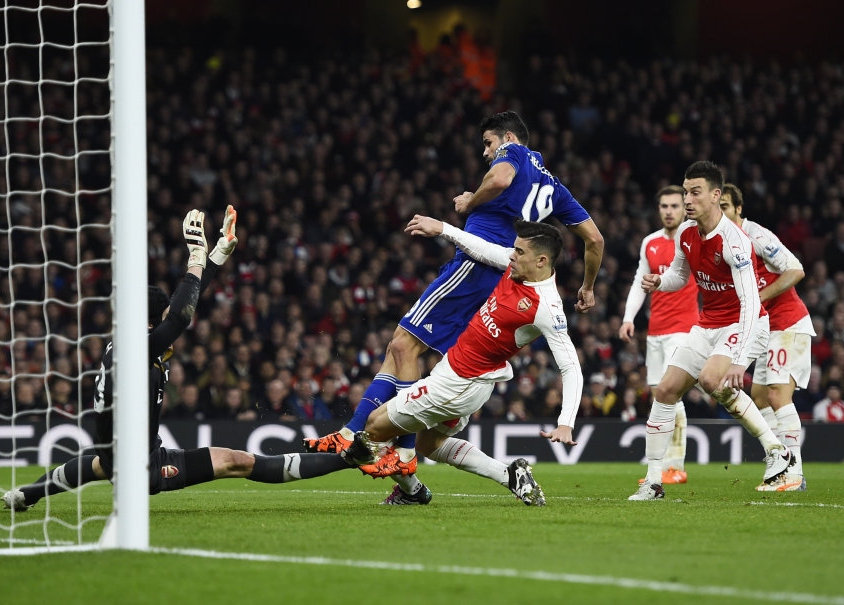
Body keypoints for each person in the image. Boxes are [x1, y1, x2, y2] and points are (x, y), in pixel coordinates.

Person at [304, 111, 603, 492]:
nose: (486, 152)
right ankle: (365, 440)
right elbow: (595, 240)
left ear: (509, 137)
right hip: (496, 274)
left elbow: (499, 177)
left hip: (475, 266)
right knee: (401, 358)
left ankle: (398, 451)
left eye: (488, 143)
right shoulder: (554, 188)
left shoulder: (514, 156)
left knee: (402, 344)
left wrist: (468, 203)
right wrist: (588, 286)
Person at [1, 208, 351, 512]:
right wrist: (196, 255)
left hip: (123, 454)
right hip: (143, 467)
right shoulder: (139, 348)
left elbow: (185, 305)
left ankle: (26, 494)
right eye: (164, 315)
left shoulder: (130, 343)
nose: (174, 318)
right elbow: (181, 316)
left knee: (97, 465)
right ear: (153, 322)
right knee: (237, 462)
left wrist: (215, 258)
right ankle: (347, 459)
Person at [343, 218, 582, 507]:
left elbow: (571, 366)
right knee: (428, 445)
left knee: (373, 426)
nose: (512, 254)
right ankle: (510, 476)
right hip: (457, 371)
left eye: (519, 251)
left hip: (459, 385)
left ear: (541, 260)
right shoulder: (516, 267)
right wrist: (442, 228)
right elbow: (481, 249)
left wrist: (565, 423)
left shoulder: (547, 307)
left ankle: (411, 491)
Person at [629, 161, 792, 501]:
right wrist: (659, 281)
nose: (688, 199)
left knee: (710, 380)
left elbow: (750, 303)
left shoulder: (734, 242)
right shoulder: (687, 233)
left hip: (743, 322)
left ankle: (776, 450)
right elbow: (680, 276)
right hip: (708, 324)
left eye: (695, 192)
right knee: (665, 390)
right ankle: (654, 481)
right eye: (685, 191)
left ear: (716, 195)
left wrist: (738, 359)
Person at [719, 183, 812, 491]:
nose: (722, 214)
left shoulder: (755, 235)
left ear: (738, 209)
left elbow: (795, 269)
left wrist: (758, 297)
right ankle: (783, 461)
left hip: (788, 324)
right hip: (766, 329)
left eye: (727, 207)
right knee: (759, 398)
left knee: (777, 395)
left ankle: (793, 472)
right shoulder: (722, 244)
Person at [620, 185, 699, 485]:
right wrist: (629, 318)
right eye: (664, 206)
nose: (669, 211)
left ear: (684, 207)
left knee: (670, 394)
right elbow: (640, 283)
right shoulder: (650, 243)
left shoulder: (692, 239)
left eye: (675, 206)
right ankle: (662, 466)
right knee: (658, 396)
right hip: (656, 331)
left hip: (684, 328)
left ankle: (675, 465)